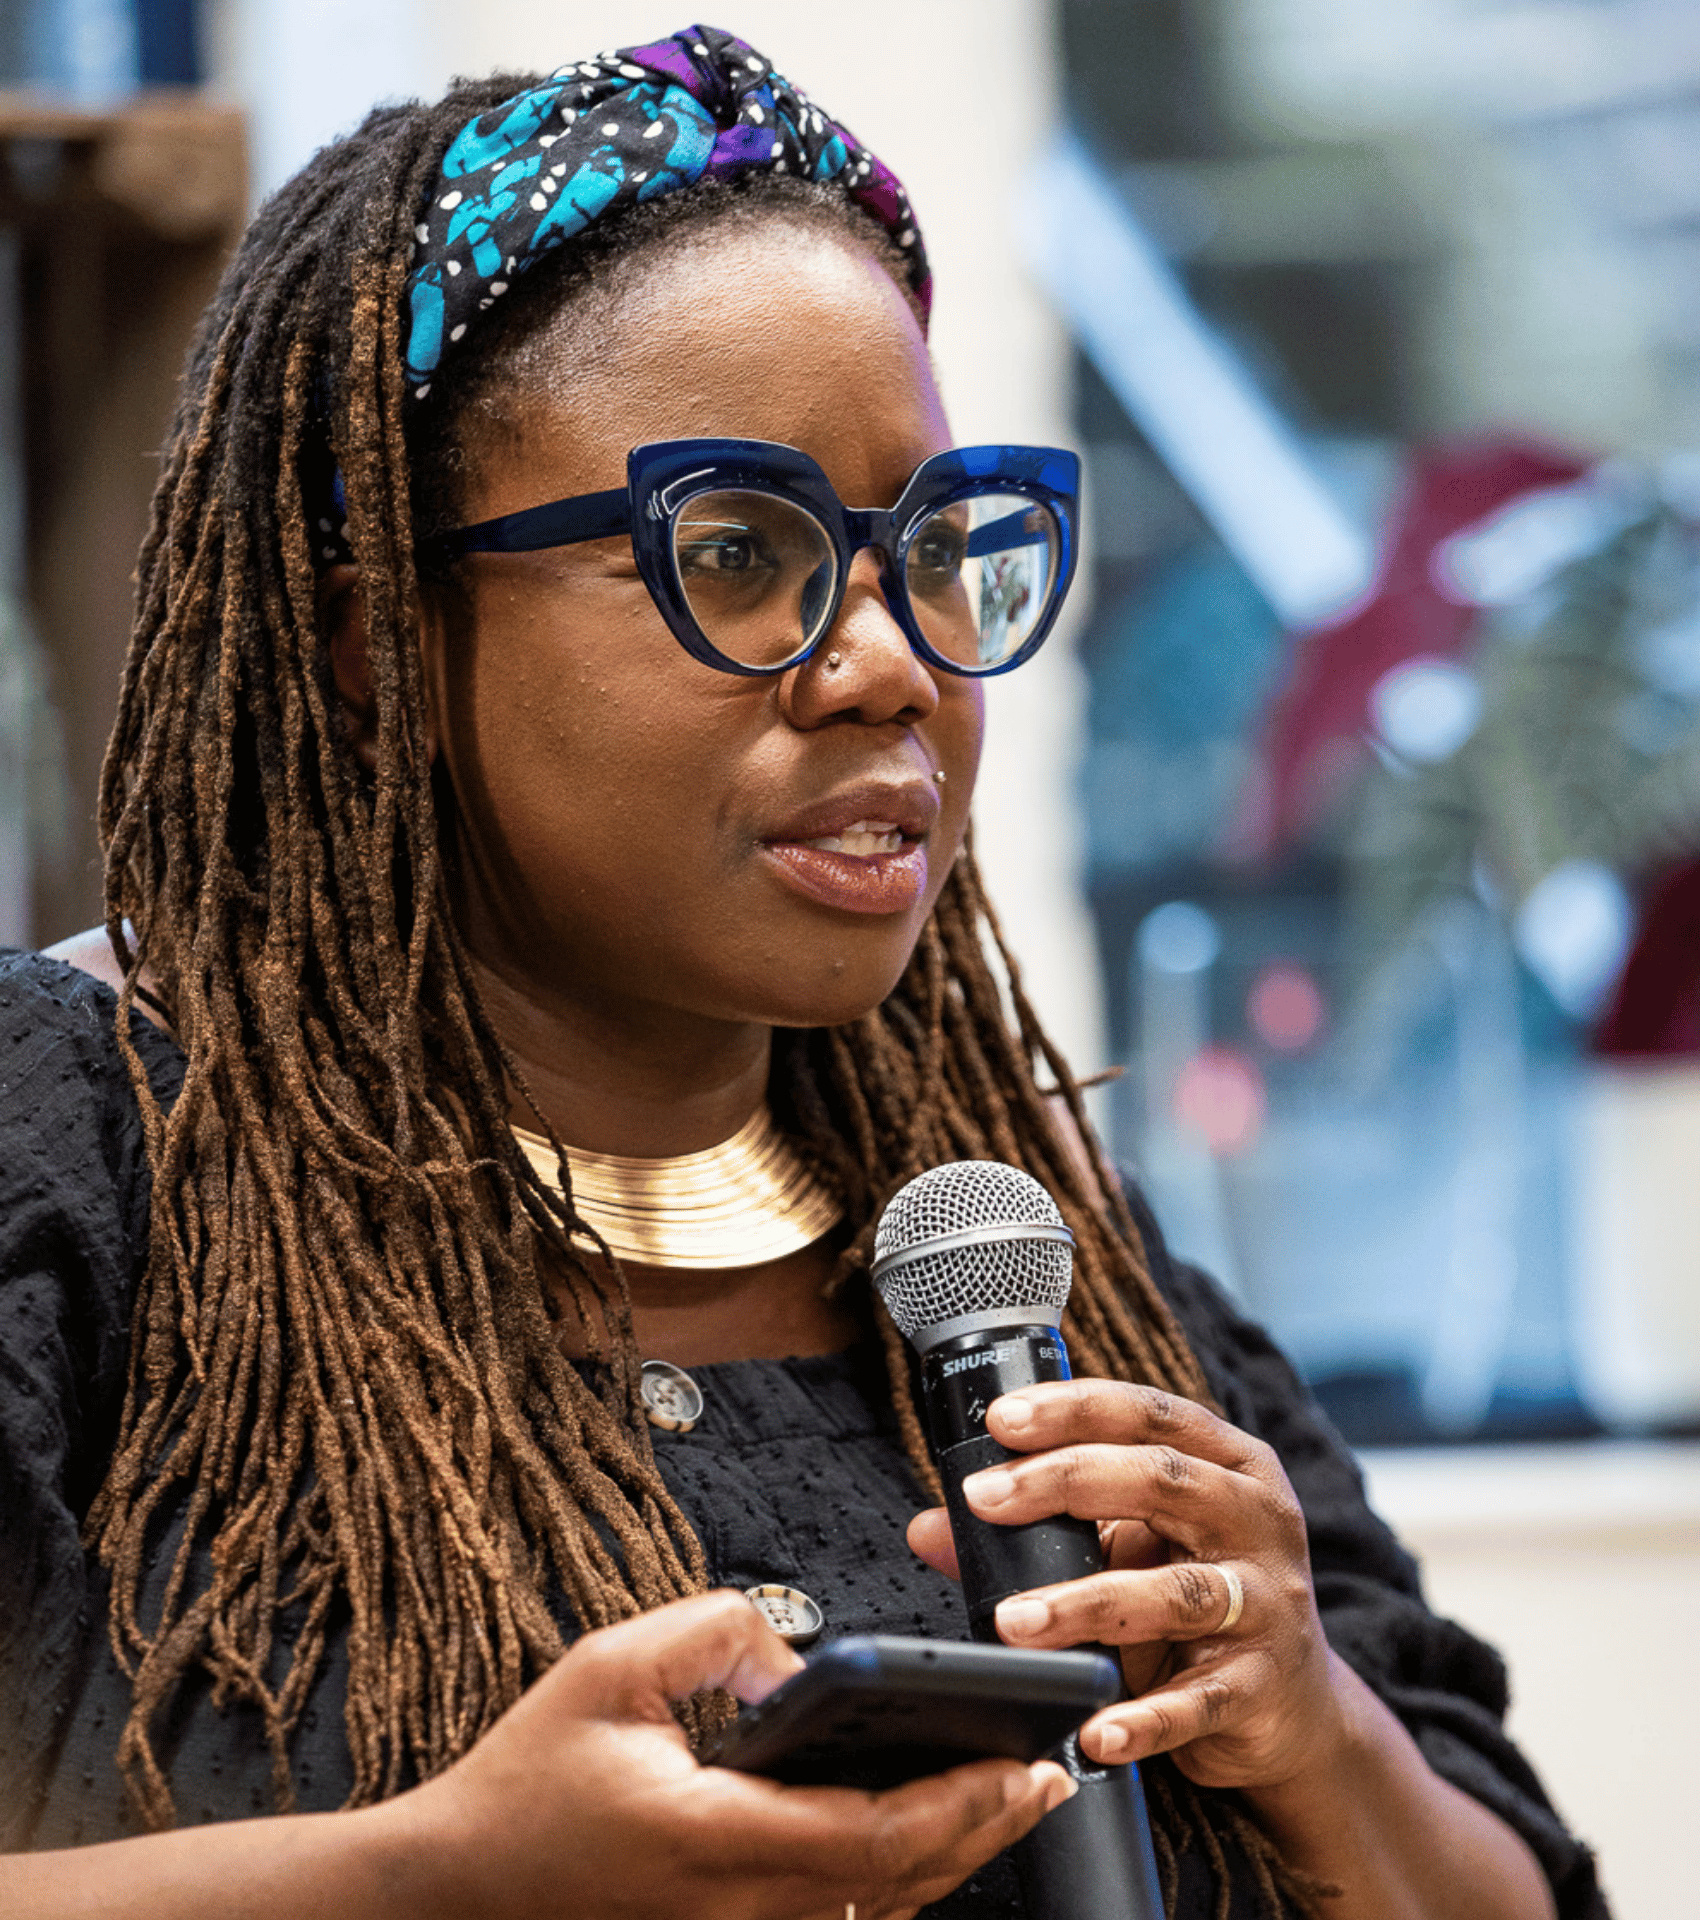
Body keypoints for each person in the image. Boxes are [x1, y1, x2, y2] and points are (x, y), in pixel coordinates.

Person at [0, 25, 1604, 1920]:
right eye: (738, 550)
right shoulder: (79, 1159)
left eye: (934, 548)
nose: (889, 663)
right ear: (376, 646)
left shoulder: (1014, 1235)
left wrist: (1313, 1726)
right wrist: (440, 1879)